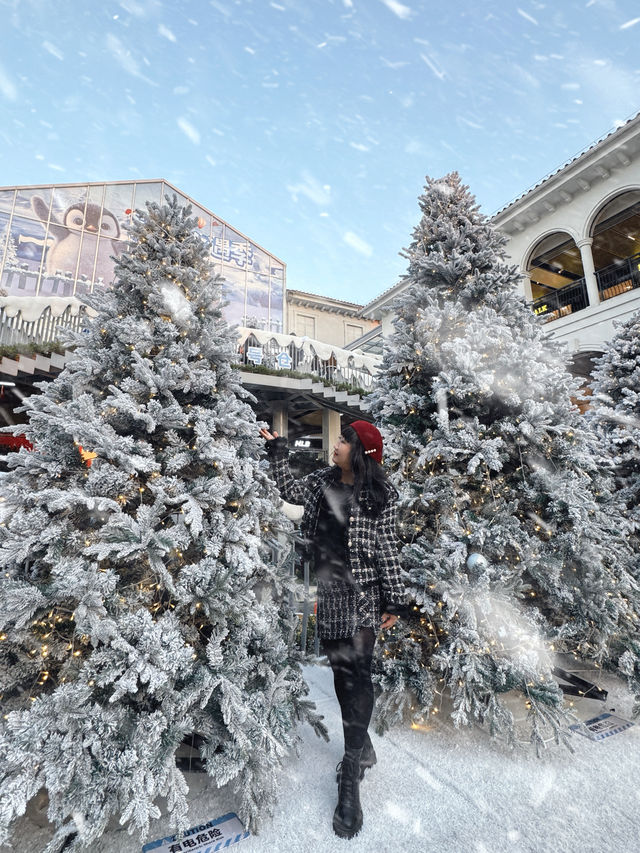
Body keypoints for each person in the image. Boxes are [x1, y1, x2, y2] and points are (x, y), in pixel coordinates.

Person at [260, 419, 407, 840]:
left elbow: (387, 549)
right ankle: (361, 746)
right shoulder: (323, 480)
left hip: (362, 599)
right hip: (329, 596)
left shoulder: (380, 495)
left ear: (361, 452)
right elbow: (289, 492)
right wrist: (278, 453)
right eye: (339, 438)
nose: (336, 445)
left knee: (357, 676)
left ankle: (349, 779)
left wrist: (395, 598)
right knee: (342, 678)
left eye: (344, 440)